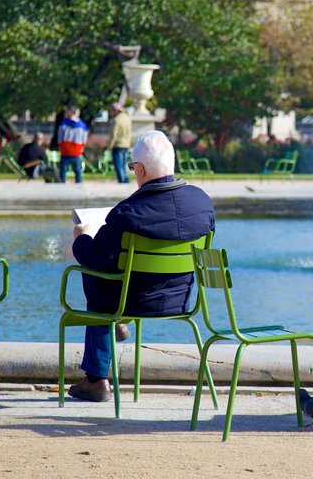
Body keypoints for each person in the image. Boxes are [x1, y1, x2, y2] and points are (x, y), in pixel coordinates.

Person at [67, 130, 215, 402]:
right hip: (181, 301)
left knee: (93, 273)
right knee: (111, 275)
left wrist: (81, 237)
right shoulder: (202, 203)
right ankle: (116, 327)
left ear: (142, 169)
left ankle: (97, 378)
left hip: (130, 303)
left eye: (133, 167)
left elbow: (96, 259)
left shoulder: (128, 213)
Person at [58, 105, 88, 184]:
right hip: (76, 150)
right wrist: (82, 147)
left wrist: (60, 146)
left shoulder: (64, 124)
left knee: (64, 170)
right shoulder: (82, 125)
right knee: (77, 169)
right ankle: (78, 183)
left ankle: (63, 183)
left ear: (71, 112)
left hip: (67, 150)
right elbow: (84, 139)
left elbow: (60, 138)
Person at [108, 102, 132, 184]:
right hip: (126, 144)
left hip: (118, 145)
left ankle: (122, 181)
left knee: (119, 165)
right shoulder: (127, 118)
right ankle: (126, 179)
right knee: (124, 164)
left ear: (115, 111)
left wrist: (110, 146)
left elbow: (113, 135)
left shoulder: (116, 120)